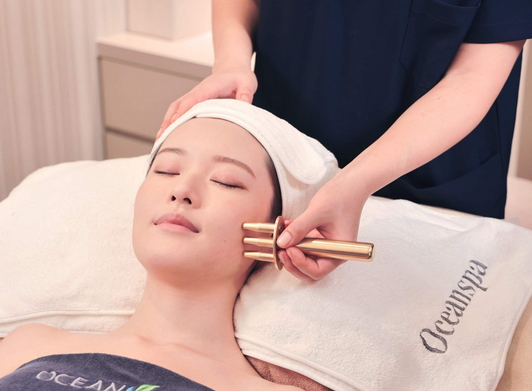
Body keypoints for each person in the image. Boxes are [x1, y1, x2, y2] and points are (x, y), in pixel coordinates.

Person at [0, 100, 330, 391]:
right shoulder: (30, 344)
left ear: (276, 231)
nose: (182, 189)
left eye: (226, 180)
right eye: (166, 170)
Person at [157, 0, 532, 284]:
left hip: (427, 180)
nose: (181, 193)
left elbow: (472, 77)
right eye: (165, 171)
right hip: (285, 156)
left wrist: (353, 184)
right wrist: (231, 62)